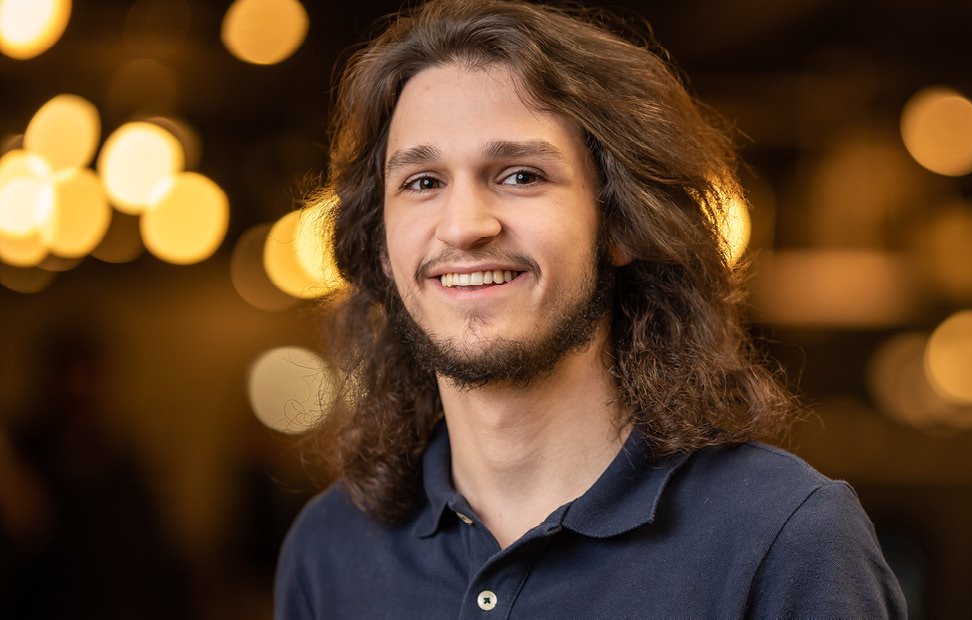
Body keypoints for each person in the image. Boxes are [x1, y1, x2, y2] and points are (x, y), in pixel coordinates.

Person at [274, 0, 906, 617]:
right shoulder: (329, 550)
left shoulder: (786, 542)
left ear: (621, 225)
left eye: (521, 175)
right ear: (381, 248)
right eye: (423, 183)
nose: (463, 226)